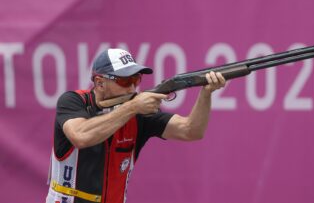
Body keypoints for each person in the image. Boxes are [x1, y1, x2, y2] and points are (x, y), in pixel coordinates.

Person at [46, 48, 226, 203]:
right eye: (125, 81)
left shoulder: (139, 113)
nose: (132, 88)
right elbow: (81, 136)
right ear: (100, 82)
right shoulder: (73, 101)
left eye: (136, 79)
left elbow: (191, 131)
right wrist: (132, 107)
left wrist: (206, 94)